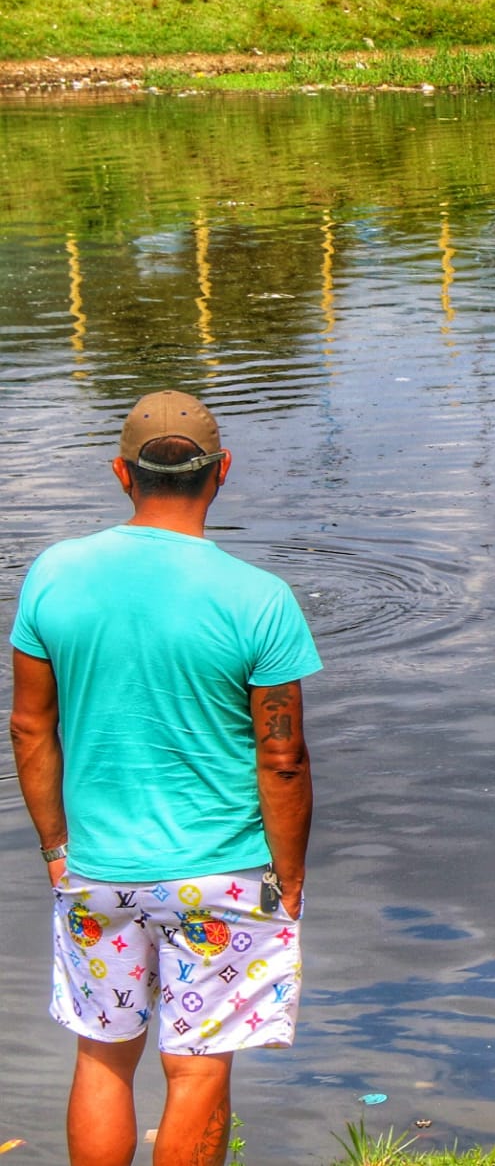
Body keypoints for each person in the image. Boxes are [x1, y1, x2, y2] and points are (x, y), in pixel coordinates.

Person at [10, 389, 320, 1166]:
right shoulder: (261, 599)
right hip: (222, 870)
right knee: (199, 1068)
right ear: (222, 474)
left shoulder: (54, 574)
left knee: (102, 1057)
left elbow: (29, 725)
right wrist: (289, 872)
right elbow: (281, 756)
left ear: (122, 473)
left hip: (95, 870)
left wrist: (56, 844)